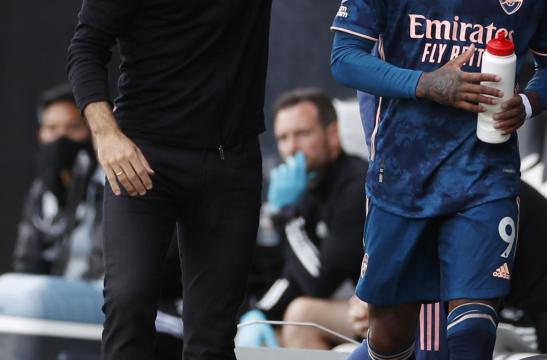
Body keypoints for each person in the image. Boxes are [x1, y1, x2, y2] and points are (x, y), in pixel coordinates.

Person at [330, 1, 547, 359]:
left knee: (473, 333)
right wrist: (425, 83)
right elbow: (345, 58)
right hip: (402, 176)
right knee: (390, 336)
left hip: (485, 173)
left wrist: (528, 102)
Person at [66, 0, 271, 358]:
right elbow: (86, 46)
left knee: (213, 332)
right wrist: (106, 135)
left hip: (230, 160)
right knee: (127, 302)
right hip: (142, 155)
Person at [346, 181, 547, 357]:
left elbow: (435, 299)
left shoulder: (474, 191)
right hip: (515, 307)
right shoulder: (430, 187)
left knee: (438, 328)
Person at [236, 88, 367, 349]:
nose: (291, 148)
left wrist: (286, 216)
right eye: (283, 138)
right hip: (355, 311)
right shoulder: (307, 190)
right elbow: (293, 276)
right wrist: (261, 313)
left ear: (332, 135)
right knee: (270, 337)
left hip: (393, 311)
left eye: (303, 134)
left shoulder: (356, 183)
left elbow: (319, 281)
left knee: (301, 315)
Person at [13, 84, 104, 280]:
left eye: (73, 127)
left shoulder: (106, 184)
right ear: (40, 134)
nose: (61, 137)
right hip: (52, 296)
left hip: (100, 297)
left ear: (92, 132)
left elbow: (108, 267)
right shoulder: (41, 190)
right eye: (52, 128)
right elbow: (27, 261)